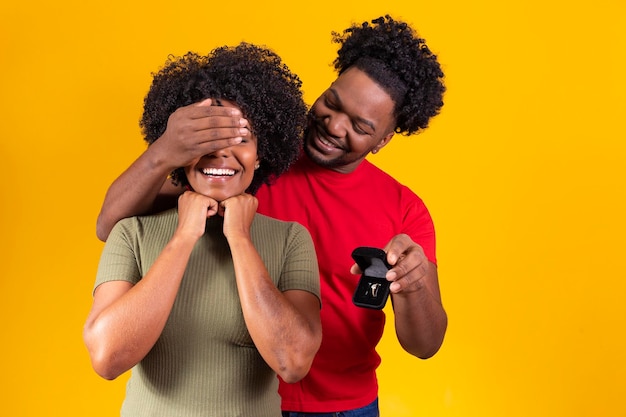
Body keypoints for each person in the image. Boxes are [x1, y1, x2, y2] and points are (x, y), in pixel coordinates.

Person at [96, 15, 448, 417]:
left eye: (359, 125)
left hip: (343, 406)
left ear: (384, 139)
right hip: (246, 399)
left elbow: (426, 345)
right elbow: (111, 224)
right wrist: (163, 150)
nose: (333, 124)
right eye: (332, 102)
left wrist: (414, 285)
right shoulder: (248, 163)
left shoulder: (403, 208)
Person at [83, 43, 322, 417]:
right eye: (205, 139)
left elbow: (293, 362)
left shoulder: (290, 239)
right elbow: (107, 358)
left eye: (241, 139)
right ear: (182, 150)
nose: (221, 152)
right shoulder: (132, 232)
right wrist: (183, 237)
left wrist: (240, 239)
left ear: (260, 155)